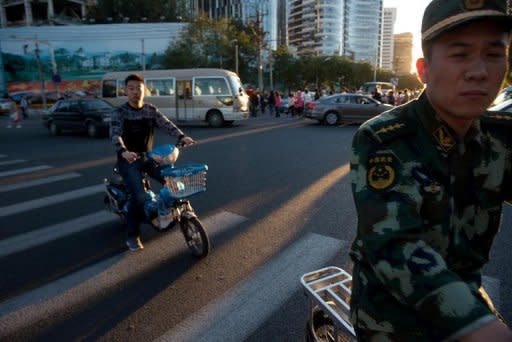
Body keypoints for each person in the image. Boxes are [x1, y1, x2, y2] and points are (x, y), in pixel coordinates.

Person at [349, 0, 512, 341]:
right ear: (423, 70)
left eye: (494, 54)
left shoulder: (500, 135)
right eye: (459, 54)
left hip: (466, 295)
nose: (479, 71)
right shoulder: (385, 138)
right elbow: (394, 245)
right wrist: (475, 325)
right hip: (391, 317)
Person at [110, 73, 195, 251]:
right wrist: (123, 151)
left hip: (149, 157)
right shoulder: (120, 112)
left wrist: (182, 136)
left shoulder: (150, 110)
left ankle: (170, 213)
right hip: (128, 160)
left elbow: (166, 124)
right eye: (131, 88)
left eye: (138, 88)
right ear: (126, 91)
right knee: (139, 197)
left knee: (173, 183)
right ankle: (132, 235)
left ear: (144, 90)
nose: (135, 91)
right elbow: (115, 133)